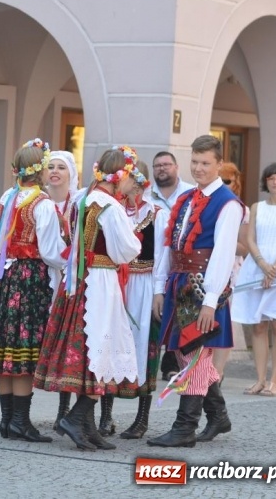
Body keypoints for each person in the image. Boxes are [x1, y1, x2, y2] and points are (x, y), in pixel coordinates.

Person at [34, 146, 142, 451]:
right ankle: (76, 417)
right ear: (120, 176)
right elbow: (126, 250)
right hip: (101, 282)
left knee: (92, 350)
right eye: (128, 176)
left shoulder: (85, 200)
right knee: (101, 346)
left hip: (80, 280)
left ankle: (89, 427)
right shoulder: (110, 206)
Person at [148, 135, 244, 448]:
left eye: (206, 163)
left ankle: (185, 427)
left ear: (219, 164)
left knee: (194, 356)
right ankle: (217, 414)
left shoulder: (227, 203)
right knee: (184, 352)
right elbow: (170, 244)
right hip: (180, 281)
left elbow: (223, 254)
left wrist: (211, 301)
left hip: (203, 286)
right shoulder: (188, 198)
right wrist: (161, 287)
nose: (199, 168)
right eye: (195, 162)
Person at [0, 139, 65, 442]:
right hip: (29, 280)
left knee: (5, 350)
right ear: (40, 169)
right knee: (22, 351)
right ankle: (20, 422)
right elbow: (51, 252)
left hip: (4, 276)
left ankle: (7, 420)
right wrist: (70, 257)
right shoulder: (43, 204)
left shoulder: (7, 197)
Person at [233, 163, 276, 398]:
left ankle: (275, 381)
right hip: (256, 268)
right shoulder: (257, 207)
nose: (275, 183)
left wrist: (274, 269)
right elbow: (250, 239)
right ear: (265, 181)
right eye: (271, 178)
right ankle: (260, 380)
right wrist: (262, 264)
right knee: (258, 325)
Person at [115, 161, 167, 440]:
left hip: (144, 284)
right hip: (119, 283)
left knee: (145, 344)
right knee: (112, 341)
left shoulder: (157, 215)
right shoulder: (114, 211)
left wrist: (159, 291)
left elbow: (161, 259)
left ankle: (142, 417)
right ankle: (106, 415)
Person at [150, 151, 195, 382]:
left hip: (181, 260)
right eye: (157, 165)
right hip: (154, 260)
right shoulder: (148, 195)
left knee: (179, 312)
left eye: (166, 164)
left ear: (176, 167)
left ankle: (173, 362)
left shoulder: (190, 193)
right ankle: (151, 362)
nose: (162, 168)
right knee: (156, 312)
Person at [43, 150, 80, 429]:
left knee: (67, 342)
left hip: (70, 278)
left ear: (71, 174)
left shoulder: (78, 203)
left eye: (61, 167)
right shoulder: (40, 202)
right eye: (50, 167)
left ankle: (64, 410)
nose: (55, 172)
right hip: (43, 275)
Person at [213, 162, 250, 383]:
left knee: (226, 320)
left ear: (235, 181)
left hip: (231, 270)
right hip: (205, 267)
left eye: (227, 180)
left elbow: (245, 246)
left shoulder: (241, 208)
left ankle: (218, 372)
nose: (225, 185)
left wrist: (222, 241)